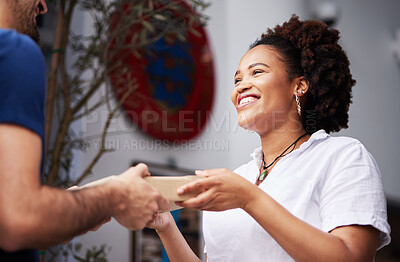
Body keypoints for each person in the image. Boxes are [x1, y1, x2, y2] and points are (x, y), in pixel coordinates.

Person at [147, 15, 391, 261]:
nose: (241, 86)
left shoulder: (342, 157)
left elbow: (351, 256)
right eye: (238, 79)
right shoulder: (239, 178)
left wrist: (248, 198)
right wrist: (166, 226)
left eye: (257, 72)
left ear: (299, 86)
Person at [0, 0, 169, 261]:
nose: (44, 6)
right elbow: (20, 218)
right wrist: (115, 197)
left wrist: (86, 201)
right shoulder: (14, 52)